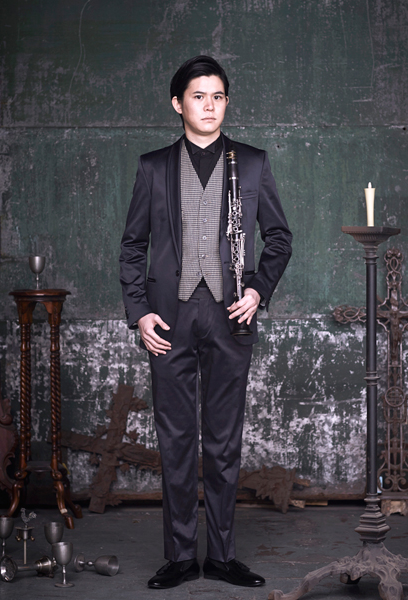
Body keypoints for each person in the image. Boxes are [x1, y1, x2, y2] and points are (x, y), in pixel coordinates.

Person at [119, 55, 292, 589]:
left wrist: (258, 291)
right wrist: (139, 312)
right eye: (198, 96)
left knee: (223, 441)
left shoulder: (253, 162)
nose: (209, 106)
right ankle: (179, 557)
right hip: (168, 317)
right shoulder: (153, 167)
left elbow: (279, 239)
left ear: (226, 103)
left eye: (217, 96)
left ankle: (221, 555)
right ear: (178, 104)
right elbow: (133, 246)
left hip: (229, 314)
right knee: (175, 440)